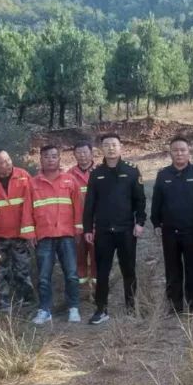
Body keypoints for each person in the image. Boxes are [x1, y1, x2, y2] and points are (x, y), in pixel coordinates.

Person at [83, 133, 146, 324]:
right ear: (101, 148)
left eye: (114, 144)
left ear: (121, 147)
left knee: (129, 270)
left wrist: (140, 222)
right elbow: (89, 204)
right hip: (103, 231)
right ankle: (101, 309)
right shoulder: (96, 173)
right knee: (102, 271)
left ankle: (131, 308)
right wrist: (88, 228)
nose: (110, 148)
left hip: (126, 230)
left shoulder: (132, 171)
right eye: (106, 145)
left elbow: (140, 200)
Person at [151, 137, 193, 314]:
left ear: (189, 152)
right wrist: (156, 223)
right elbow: (156, 201)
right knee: (172, 270)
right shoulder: (163, 175)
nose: (179, 153)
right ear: (170, 152)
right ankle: (174, 307)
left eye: (183, 150)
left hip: (192, 230)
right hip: (169, 231)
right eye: (175, 150)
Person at [29, 145, 83, 325]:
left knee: (72, 274)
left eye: (54, 156)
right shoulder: (33, 183)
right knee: (44, 276)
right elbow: (27, 210)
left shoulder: (69, 180)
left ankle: (73, 308)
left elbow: (78, 207)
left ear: (59, 159)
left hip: (66, 234)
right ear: (41, 159)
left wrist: (78, 229)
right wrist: (30, 232)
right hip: (44, 235)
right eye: (46, 156)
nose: (50, 159)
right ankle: (45, 310)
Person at [0, 148, 35, 312]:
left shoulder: (23, 175)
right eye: (2, 162)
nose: (8, 164)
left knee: (23, 270)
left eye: (8, 159)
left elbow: (32, 203)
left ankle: (27, 303)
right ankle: (2, 305)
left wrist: (30, 231)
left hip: (20, 234)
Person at [69, 140, 97, 296]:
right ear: (74, 155)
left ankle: (98, 289)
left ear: (91, 153)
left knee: (97, 256)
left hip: (97, 222)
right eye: (78, 153)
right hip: (77, 223)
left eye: (85, 152)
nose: (82, 155)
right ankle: (83, 290)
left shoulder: (101, 171)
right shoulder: (69, 175)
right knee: (79, 256)